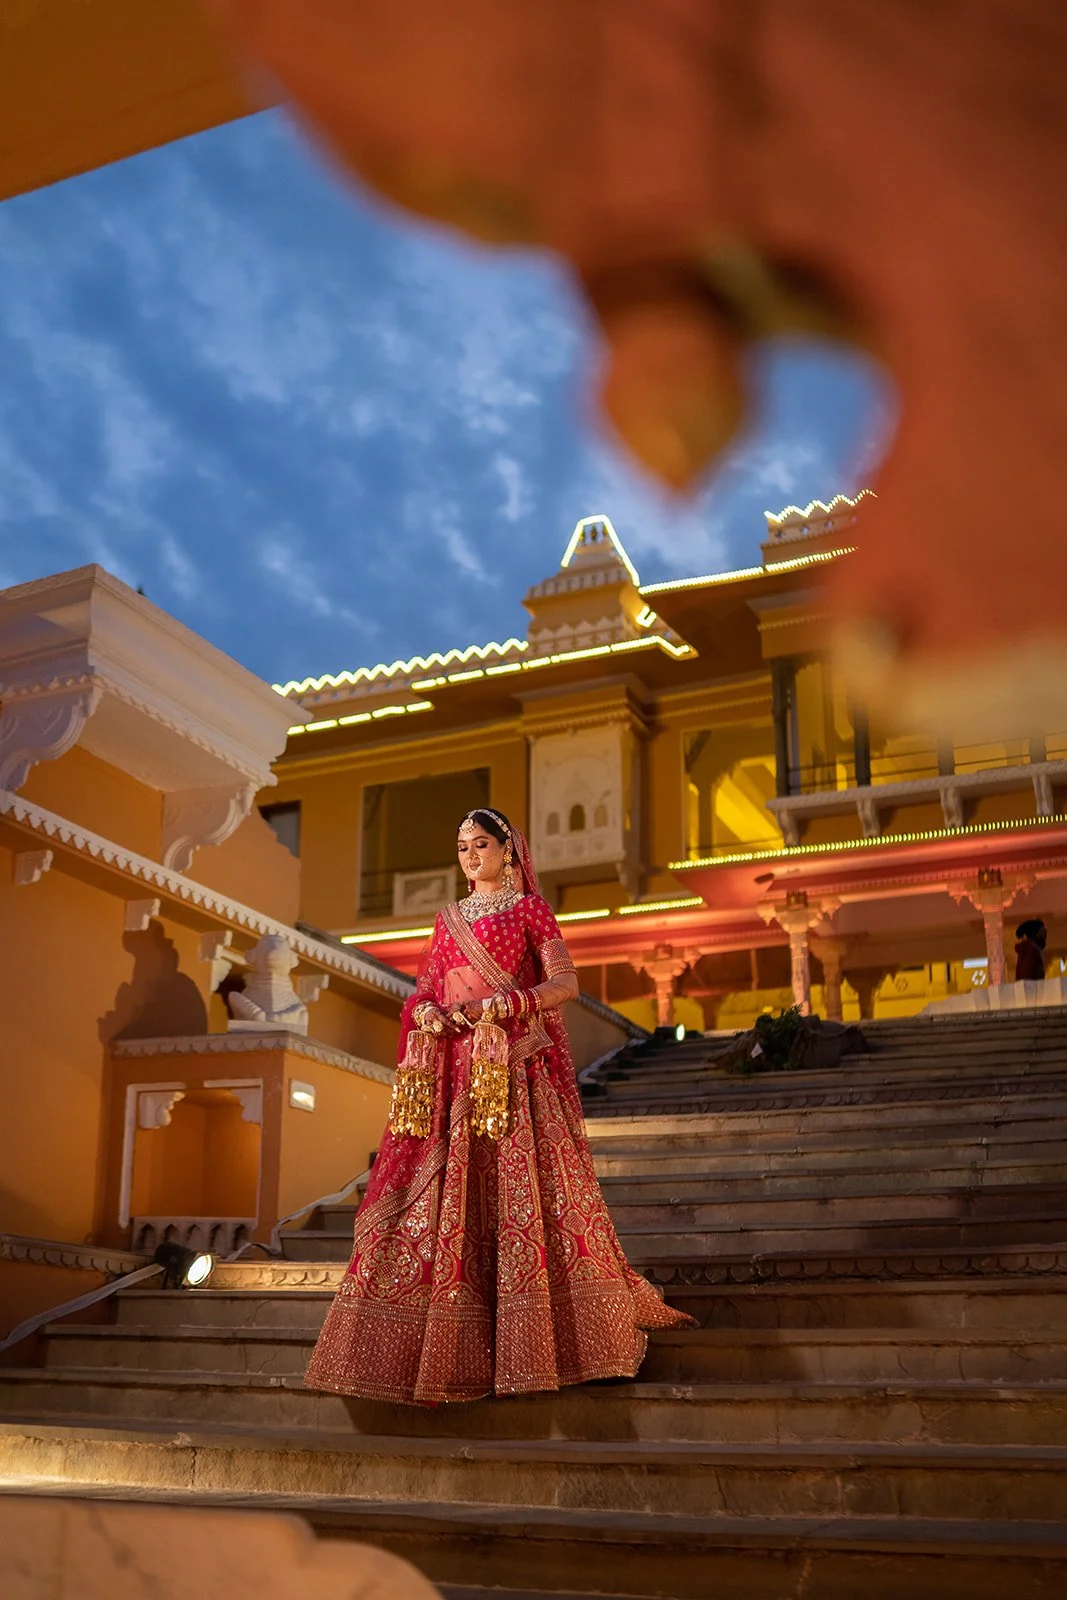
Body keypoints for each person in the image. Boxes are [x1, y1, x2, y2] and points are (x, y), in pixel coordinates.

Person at [305, 807, 693, 1405]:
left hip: (510, 1066)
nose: (469, 855)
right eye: (461, 846)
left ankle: (534, 1332)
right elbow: (426, 991)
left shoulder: (530, 910)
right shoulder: (447, 919)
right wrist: (428, 1013)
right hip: (453, 1071)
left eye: (480, 844)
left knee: (517, 1192)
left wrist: (508, 1007)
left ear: (508, 851)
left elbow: (565, 985)